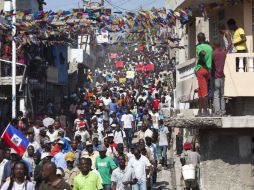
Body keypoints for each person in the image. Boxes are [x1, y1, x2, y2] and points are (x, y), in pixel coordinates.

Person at [195, 32, 213, 116]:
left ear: (198, 39)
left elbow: (201, 53)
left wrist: (202, 57)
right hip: (208, 71)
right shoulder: (210, 47)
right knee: (200, 91)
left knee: (204, 92)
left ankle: (205, 111)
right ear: (205, 38)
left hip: (201, 69)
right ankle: (199, 111)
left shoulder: (198, 47)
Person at [212, 40, 227, 116]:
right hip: (222, 76)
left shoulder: (214, 54)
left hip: (215, 76)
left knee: (216, 95)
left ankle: (217, 111)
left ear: (214, 45)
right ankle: (223, 111)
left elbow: (211, 64)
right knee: (222, 95)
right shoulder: (223, 53)